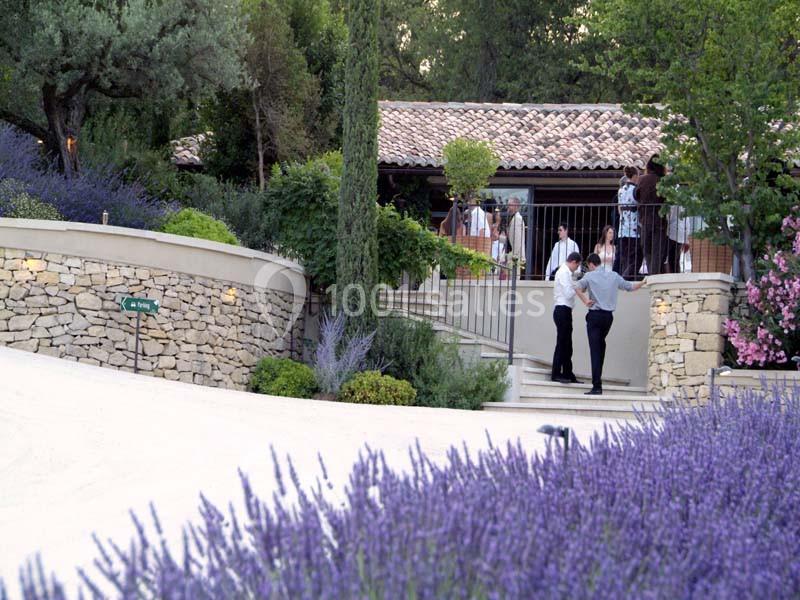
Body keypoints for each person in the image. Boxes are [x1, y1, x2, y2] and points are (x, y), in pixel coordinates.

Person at [574, 253, 647, 395]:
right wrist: (644, 282)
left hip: (595, 316)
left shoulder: (589, 276)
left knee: (595, 351)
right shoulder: (614, 276)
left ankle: (597, 386)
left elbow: (576, 286)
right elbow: (630, 287)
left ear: (591, 264)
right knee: (601, 347)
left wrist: (585, 300)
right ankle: (597, 381)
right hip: (608, 318)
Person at [551, 251, 582, 384]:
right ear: (573, 262)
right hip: (562, 309)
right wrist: (576, 287)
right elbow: (568, 293)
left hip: (565, 310)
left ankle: (568, 373)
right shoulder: (564, 273)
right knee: (562, 343)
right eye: (577, 265)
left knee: (567, 344)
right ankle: (556, 373)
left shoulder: (566, 273)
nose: (576, 268)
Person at [635, 155, 668, 275]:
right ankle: (654, 274)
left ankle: (651, 274)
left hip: (645, 220)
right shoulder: (663, 181)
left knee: (647, 249)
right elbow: (667, 198)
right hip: (659, 221)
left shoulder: (641, 179)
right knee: (657, 251)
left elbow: (636, 196)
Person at [616, 166, 643, 278]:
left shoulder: (621, 190)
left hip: (623, 227)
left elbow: (619, 208)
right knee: (636, 255)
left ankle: (624, 275)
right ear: (635, 176)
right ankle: (627, 276)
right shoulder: (636, 190)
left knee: (625, 256)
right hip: (634, 228)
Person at [506, 196, 526, 272]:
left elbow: (517, 240)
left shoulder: (517, 219)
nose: (508, 207)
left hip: (515, 258)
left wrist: (514, 257)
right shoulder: (514, 218)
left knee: (514, 277)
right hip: (513, 256)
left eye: (510, 205)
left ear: (516, 206)